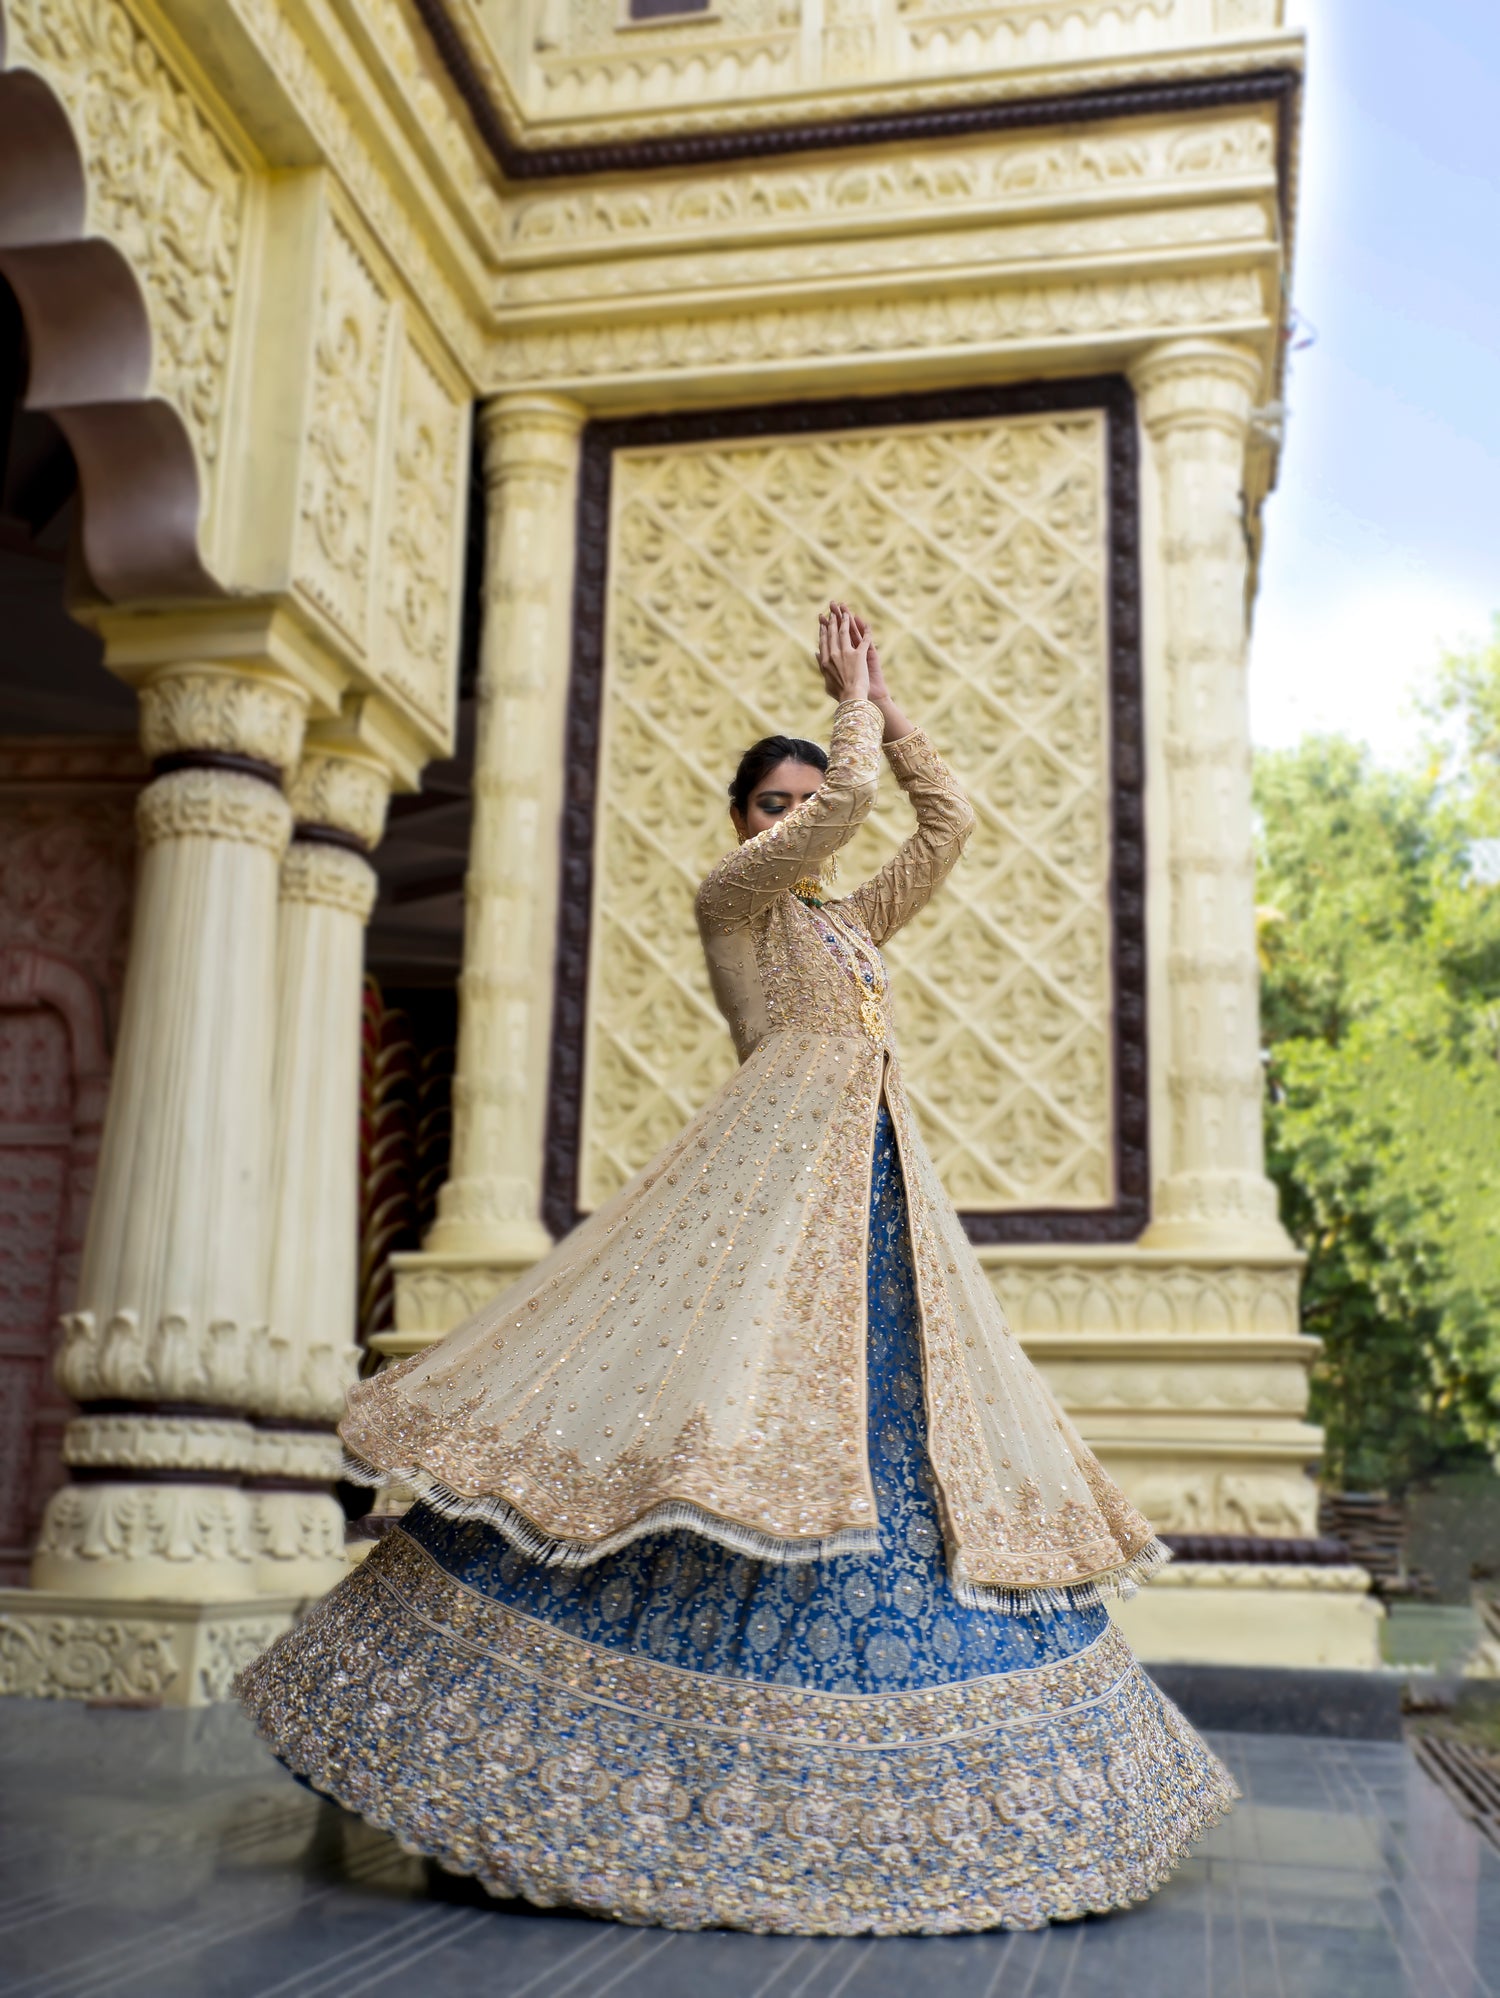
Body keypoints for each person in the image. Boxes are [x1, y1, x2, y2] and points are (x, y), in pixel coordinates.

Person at [238, 604, 1234, 1935]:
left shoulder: (848, 926)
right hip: (764, 1208)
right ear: (740, 819)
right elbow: (857, 803)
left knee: (894, 1444)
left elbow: (946, 827)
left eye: (803, 801)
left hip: (871, 1207)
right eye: (771, 801)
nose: (795, 815)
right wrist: (850, 709)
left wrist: (890, 698)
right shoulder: (738, 903)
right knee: (697, 1438)